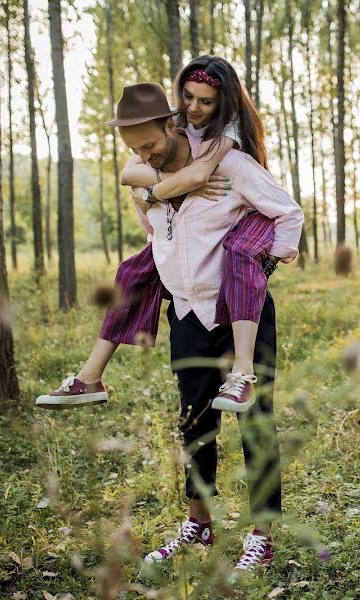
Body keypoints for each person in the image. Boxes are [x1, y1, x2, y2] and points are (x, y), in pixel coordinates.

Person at [36, 56, 279, 414]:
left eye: (206, 102)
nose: (194, 108)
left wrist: (274, 256)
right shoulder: (166, 138)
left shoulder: (228, 141)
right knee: (132, 275)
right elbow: (135, 183)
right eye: (188, 98)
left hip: (236, 296)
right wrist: (154, 190)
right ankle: (90, 375)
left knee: (256, 429)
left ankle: (242, 371)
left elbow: (200, 176)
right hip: (189, 308)